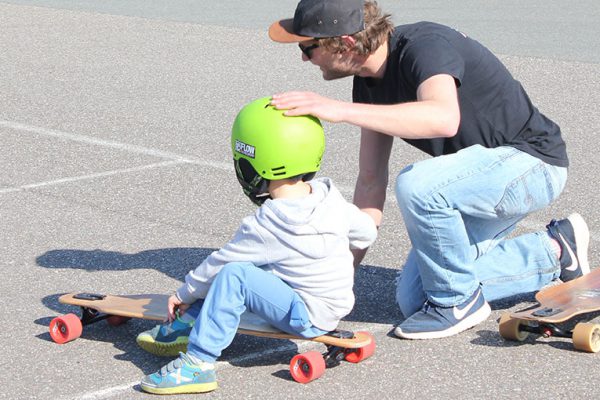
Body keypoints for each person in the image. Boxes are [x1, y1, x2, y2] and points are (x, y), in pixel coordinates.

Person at [268, 0, 590, 340]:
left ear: (346, 43)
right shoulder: (367, 83)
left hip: (532, 165)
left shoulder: (425, 47)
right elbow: (370, 182)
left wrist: (339, 110)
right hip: (478, 185)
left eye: (308, 47)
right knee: (416, 299)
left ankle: (457, 305)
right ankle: (555, 249)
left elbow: (443, 118)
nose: (304, 57)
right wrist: (340, 277)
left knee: (417, 184)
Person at [137, 97, 377, 394]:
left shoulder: (268, 224)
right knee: (254, 267)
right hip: (331, 308)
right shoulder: (330, 199)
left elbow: (220, 263)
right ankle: (193, 322)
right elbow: (367, 233)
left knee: (233, 274)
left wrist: (184, 292)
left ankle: (197, 364)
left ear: (254, 162)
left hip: (305, 315)